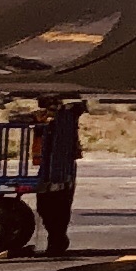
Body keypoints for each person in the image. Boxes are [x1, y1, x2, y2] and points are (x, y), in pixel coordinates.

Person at [33, 98, 84, 257]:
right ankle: (56, 238)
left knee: (58, 209)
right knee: (45, 207)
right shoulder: (46, 123)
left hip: (60, 172)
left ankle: (57, 240)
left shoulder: (64, 122)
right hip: (47, 170)